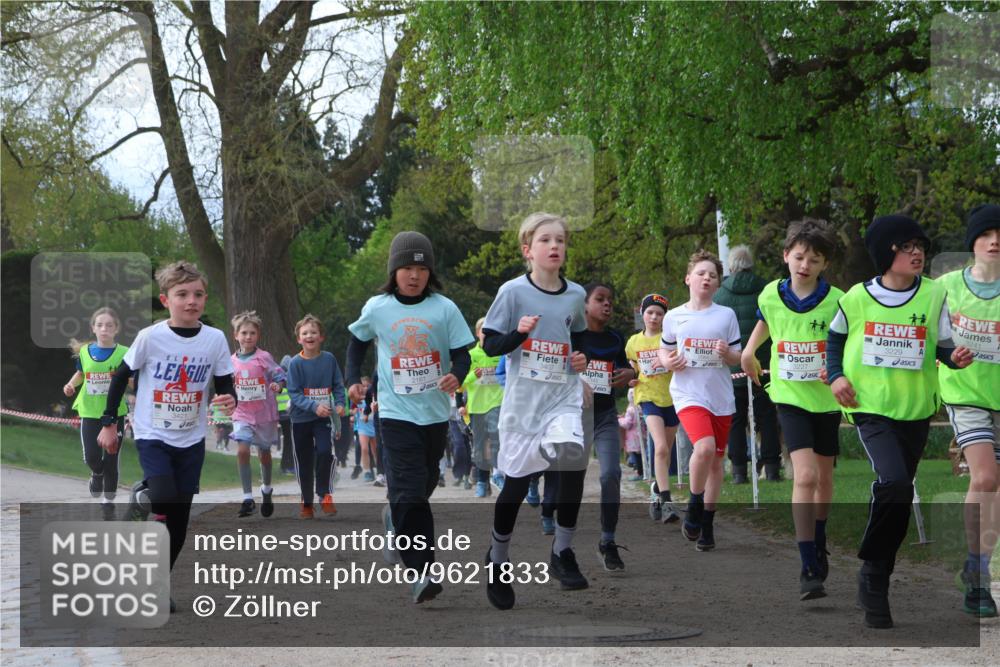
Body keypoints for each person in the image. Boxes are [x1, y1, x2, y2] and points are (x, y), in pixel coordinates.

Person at [827, 214, 972, 629]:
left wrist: (954, 357)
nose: (917, 253)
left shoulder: (933, 294)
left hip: (915, 410)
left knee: (901, 492)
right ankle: (874, 576)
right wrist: (836, 376)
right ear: (885, 252)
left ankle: (878, 570)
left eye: (920, 247)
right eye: (907, 247)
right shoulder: (857, 297)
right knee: (892, 483)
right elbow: (835, 339)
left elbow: (942, 346)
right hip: (870, 407)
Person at [96, 261, 236, 614]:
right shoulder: (150, 337)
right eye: (182, 294)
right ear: (165, 300)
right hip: (152, 432)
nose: (191, 301)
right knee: (163, 497)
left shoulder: (215, 339)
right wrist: (109, 423)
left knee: (179, 519)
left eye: (198, 294)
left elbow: (224, 381)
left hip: (191, 437)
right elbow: (120, 377)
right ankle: (144, 500)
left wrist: (229, 398)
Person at [346, 231, 474, 604]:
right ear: (394, 271)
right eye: (406, 268)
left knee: (425, 483)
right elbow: (356, 343)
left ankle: (394, 517)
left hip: (433, 414)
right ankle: (421, 572)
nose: (414, 275)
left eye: (421, 268)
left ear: (430, 272)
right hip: (394, 413)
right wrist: (352, 379)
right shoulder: (378, 307)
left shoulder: (444, 308)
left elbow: (462, 353)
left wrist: (457, 374)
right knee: (411, 492)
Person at [481, 212, 589, 610]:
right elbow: (491, 345)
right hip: (524, 404)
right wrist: (519, 333)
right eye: (545, 240)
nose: (555, 246)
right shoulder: (512, 292)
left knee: (573, 460)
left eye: (560, 240)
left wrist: (581, 358)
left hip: (562, 397)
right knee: (515, 486)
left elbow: (579, 337)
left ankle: (562, 551)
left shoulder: (575, 294)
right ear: (528, 250)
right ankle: (497, 558)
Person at [741, 219, 844, 600]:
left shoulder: (838, 301)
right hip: (789, 397)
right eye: (799, 257)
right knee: (805, 476)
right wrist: (749, 351)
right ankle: (807, 565)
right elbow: (767, 321)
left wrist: (836, 369)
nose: (805, 265)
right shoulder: (770, 293)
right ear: (786, 255)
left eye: (814, 260)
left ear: (824, 264)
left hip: (826, 400)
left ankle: (819, 537)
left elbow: (847, 344)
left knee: (824, 479)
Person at [937, 204, 1000, 617]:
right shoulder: (945, 287)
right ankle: (977, 576)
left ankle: (977, 565)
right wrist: (947, 353)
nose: (994, 242)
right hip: (966, 394)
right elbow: (927, 338)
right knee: (986, 477)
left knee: (996, 488)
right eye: (986, 235)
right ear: (972, 242)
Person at [660, 250, 742, 552]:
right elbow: (663, 349)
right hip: (688, 393)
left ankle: (707, 523)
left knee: (716, 462)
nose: (706, 278)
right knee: (704, 447)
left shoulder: (726, 315)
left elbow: (738, 356)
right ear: (688, 279)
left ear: (718, 283)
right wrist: (668, 362)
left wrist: (727, 354)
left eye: (712, 275)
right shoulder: (674, 316)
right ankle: (694, 504)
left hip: (719, 395)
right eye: (701, 273)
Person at [578, 282, 636, 570]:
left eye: (610, 300)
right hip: (573, 417)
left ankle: (607, 541)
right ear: (584, 305)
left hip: (605, 416)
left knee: (611, 473)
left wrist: (630, 373)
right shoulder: (572, 336)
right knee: (567, 478)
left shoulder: (615, 337)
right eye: (600, 299)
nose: (607, 304)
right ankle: (551, 514)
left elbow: (626, 369)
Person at [714, 245, 783, 482]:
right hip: (763, 366)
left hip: (732, 367)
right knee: (767, 418)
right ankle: (772, 467)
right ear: (751, 263)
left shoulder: (720, 295)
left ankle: (739, 471)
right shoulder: (767, 290)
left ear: (731, 266)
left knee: (736, 420)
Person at [62, 307, 129, 518]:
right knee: (92, 456)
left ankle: (108, 502)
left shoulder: (125, 353)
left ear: (116, 329)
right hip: (90, 411)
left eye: (109, 325)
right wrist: (71, 385)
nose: (104, 329)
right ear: (93, 328)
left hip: (115, 413)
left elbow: (132, 379)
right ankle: (97, 473)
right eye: (100, 325)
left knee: (111, 458)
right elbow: (81, 373)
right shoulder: (85, 352)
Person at [626, 293, 680, 522]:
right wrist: (631, 379)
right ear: (643, 314)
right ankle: (667, 502)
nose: (654, 317)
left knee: (665, 452)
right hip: (647, 397)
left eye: (659, 314)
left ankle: (657, 490)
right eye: (650, 312)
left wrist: (670, 362)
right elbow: (632, 368)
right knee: (660, 448)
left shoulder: (671, 339)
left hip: (673, 398)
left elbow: (681, 364)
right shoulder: (633, 343)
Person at [287, 314, 346, 518]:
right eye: (305, 333)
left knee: (324, 452)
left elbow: (338, 384)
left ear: (321, 337)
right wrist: (313, 406)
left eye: (313, 332)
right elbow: (294, 393)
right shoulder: (295, 363)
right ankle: (306, 502)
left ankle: (325, 494)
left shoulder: (329, 359)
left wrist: (340, 403)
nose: (309, 336)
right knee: (304, 461)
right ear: (299, 339)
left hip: (323, 419)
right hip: (300, 419)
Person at [228, 310, 285, 518]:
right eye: (244, 333)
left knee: (264, 454)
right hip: (242, 413)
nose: (248, 337)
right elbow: (227, 385)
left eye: (252, 333)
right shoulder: (230, 361)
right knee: (242, 450)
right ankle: (247, 498)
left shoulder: (264, 357)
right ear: (236, 335)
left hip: (264, 414)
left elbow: (279, 376)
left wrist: (278, 385)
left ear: (258, 335)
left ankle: (266, 490)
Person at [462, 318, 504, 498]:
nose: (487, 334)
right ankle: (482, 481)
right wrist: (473, 375)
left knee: (496, 436)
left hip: (498, 403)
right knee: (479, 446)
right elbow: (459, 384)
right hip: (477, 406)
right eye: (484, 331)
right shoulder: (471, 355)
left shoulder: (503, 353)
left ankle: (497, 474)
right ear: (477, 333)